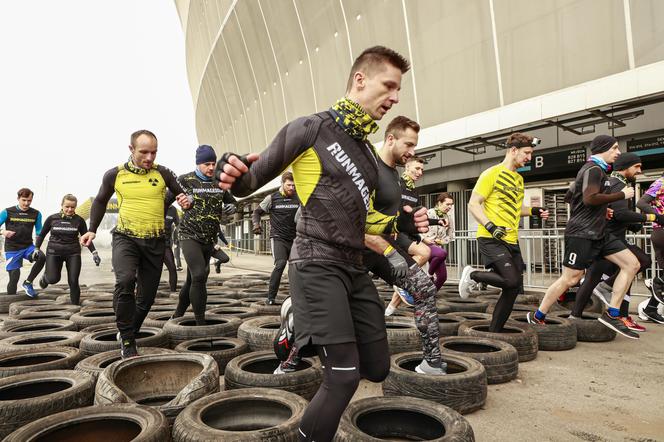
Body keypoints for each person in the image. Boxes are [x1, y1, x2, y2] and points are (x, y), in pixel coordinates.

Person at [213, 46, 424, 442]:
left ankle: (296, 324)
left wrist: (409, 227)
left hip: (353, 267)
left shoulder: (365, 151)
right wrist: (232, 165)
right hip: (314, 262)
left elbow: (375, 221)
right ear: (360, 80)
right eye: (389, 86)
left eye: (399, 90)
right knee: (342, 378)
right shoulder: (310, 128)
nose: (395, 97)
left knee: (377, 367)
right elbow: (246, 183)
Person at [80, 129, 191, 358]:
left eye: (154, 152)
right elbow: (100, 201)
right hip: (125, 238)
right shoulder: (115, 175)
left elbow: (185, 195)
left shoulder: (164, 173)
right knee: (125, 281)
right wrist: (91, 230)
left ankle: (130, 329)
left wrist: (186, 200)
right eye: (144, 152)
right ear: (131, 149)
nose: (149, 158)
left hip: (155, 241)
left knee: (147, 297)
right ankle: (128, 340)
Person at [525, 135, 641, 339]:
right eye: (614, 148)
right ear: (603, 149)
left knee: (632, 264)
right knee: (571, 279)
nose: (618, 152)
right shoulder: (593, 169)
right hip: (582, 234)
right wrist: (621, 195)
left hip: (600, 232)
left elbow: (572, 196)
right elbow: (589, 198)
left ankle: (612, 314)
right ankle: (538, 315)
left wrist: (602, 210)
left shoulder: (597, 171)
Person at [362, 115, 445, 375]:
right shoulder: (367, 168)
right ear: (390, 139)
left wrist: (411, 224)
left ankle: (431, 362)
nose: (412, 152)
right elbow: (355, 222)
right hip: (352, 251)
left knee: (424, 289)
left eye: (414, 146)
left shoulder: (395, 176)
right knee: (330, 310)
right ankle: (290, 361)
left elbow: (392, 221)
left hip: (383, 249)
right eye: (408, 145)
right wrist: (390, 251)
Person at [458, 133, 549, 332]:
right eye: (526, 153)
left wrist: (533, 210)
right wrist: (491, 226)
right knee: (511, 280)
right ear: (513, 150)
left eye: (531, 154)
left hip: (511, 239)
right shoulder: (491, 173)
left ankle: (494, 332)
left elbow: (517, 209)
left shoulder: (518, 179)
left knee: (513, 288)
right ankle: (473, 274)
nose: (529, 158)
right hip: (490, 237)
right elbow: (473, 204)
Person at [571, 153, 654, 331]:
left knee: (620, 274)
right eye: (637, 167)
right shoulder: (619, 184)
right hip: (607, 239)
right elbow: (619, 213)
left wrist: (633, 225)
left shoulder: (615, 182)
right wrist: (652, 217)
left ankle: (581, 315)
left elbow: (615, 213)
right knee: (639, 263)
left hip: (611, 237)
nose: (640, 171)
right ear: (626, 167)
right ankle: (586, 311)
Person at [172, 145, 237, 325]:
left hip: (209, 239)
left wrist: (233, 206)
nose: (210, 168)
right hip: (189, 235)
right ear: (198, 164)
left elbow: (231, 201)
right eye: (206, 164)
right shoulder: (185, 180)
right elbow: (165, 201)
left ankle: (177, 314)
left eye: (213, 163)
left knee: (193, 279)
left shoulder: (219, 182)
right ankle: (200, 323)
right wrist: (180, 202)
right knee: (199, 275)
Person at [36, 194, 100, 305]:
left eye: (72, 207)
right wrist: (36, 248)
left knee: (74, 281)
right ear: (62, 205)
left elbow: (86, 238)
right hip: (54, 252)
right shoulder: (52, 218)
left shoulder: (79, 221)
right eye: (67, 207)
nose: (69, 209)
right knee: (53, 279)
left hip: (73, 253)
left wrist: (94, 253)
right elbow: (41, 235)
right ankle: (45, 278)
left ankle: (75, 306)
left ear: (75, 207)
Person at [252, 171, 300, 305]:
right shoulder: (272, 198)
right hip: (278, 238)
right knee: (280, 264)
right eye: (289, 185)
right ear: (283, 184)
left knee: (296, 268)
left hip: (295, 239)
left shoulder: (299, 197)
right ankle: (271, 298)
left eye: (294, 186)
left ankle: (297, 296)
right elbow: (256, 212)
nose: (292, 188)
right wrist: (256, 224)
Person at [0, 188, 46, 297]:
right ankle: (10, 301)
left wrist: (37, 247)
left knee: (41, 257)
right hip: (12, 248)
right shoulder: (7, 211)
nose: (26, 203)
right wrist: (3, 232)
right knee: (14, 277)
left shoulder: (36, 213)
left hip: (28, 247)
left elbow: (39, 232)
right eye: (24, 200)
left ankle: (28, 283)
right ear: (18, 199)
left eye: (29, 200)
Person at [636, 171, 664, 323]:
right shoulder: (661, 182)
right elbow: (641, 202)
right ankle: (657, 282)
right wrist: (659, 216)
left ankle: (651, 309)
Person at [422, 193, 455, 290]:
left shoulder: (449, 218)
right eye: (447, 204)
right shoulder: (428, 213)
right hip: (424, 246)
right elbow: (415, 229)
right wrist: (424, 239)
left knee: (442, 277)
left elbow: (450, 236)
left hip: (437, 248)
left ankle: (430, 294)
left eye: (451, 205)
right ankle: (429, 275)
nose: (449, 207)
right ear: (439, 203)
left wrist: (441, 241)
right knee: (442, 253)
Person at [163, 205, 179, 292]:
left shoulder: (172, 209)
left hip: (165, 245)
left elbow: (178, 224)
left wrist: (177, 240)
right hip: (150, 244)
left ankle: (173, 291)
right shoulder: (153, 203)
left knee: (172, 268)